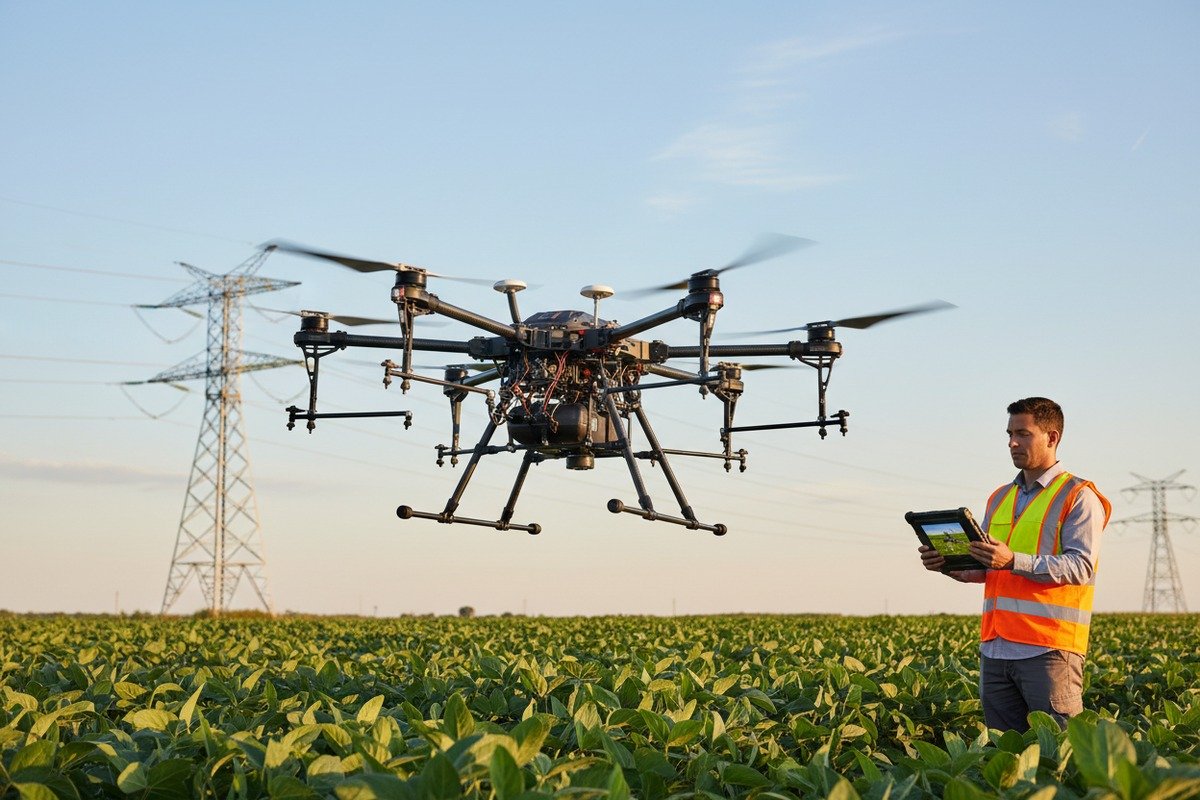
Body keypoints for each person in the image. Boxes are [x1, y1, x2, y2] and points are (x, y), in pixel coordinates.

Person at [919, 397, 1111, 732]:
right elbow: (987, 567)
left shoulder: (1078, 495)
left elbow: (1081, 567)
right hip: (996, 648)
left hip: (1049, 648)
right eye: (1009, 433)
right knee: (1005, 756)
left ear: (1052, 438)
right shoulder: (999, 497)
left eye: (1022, 433)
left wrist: (1013, 561)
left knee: (1058, 755)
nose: (1012, 442)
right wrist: (949, 566)